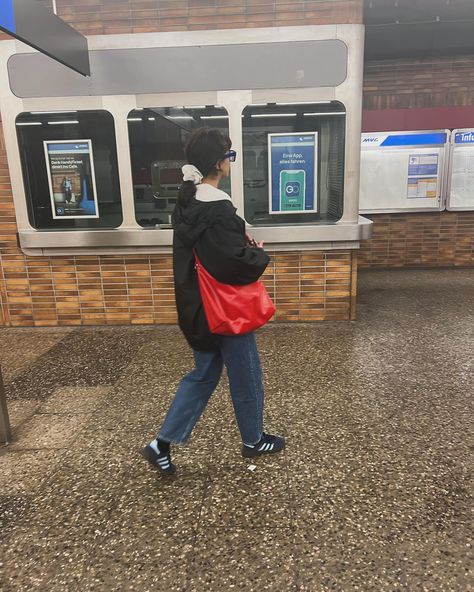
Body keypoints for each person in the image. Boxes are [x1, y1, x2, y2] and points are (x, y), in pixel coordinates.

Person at [142, 127, 285, 475]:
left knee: (203, 375)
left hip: (197, 307)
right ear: (218, 163)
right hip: (226, 310)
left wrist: (236, 239)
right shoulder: (219, 207)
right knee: (246, 373)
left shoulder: (187, 203)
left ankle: (161, 443)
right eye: (230, 156)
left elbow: (205, 253)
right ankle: (253, 440)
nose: (232, 161)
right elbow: (230, 265)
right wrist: (257, 256)